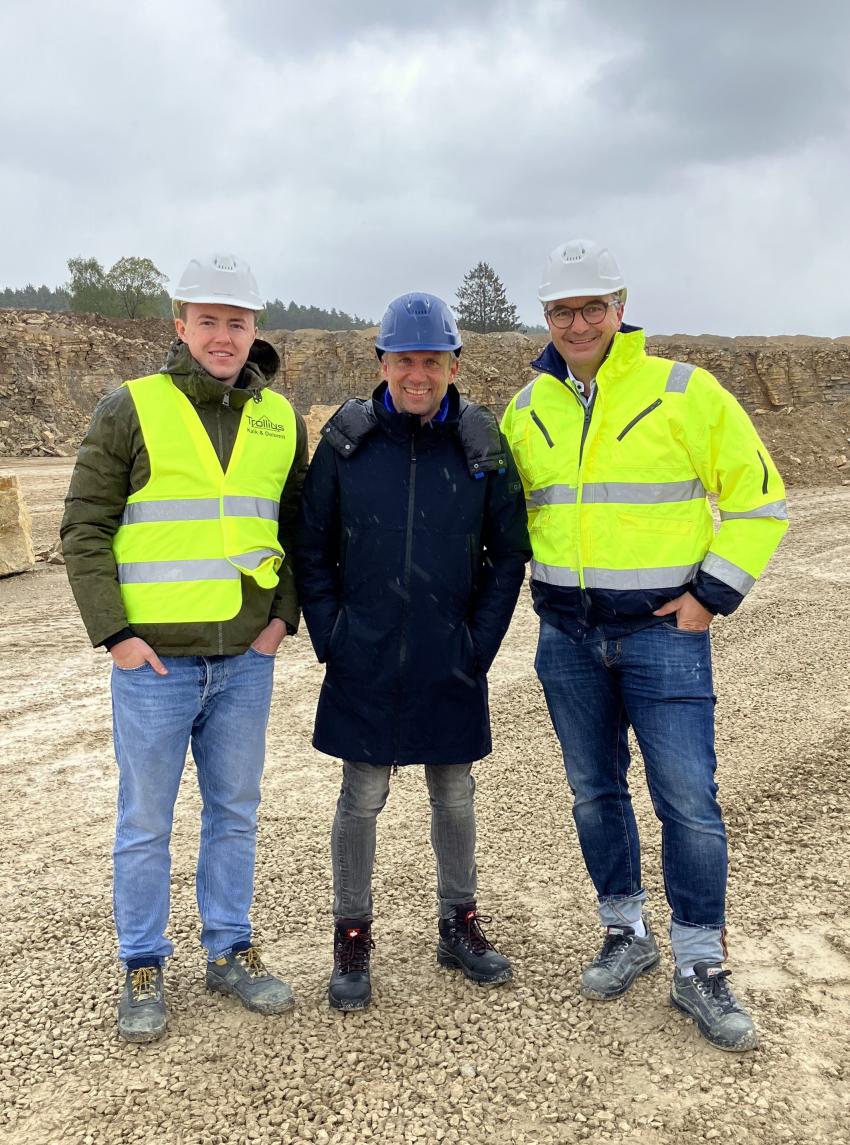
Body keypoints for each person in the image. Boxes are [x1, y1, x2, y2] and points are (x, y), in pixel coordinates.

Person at [500, 239, 788, 1051]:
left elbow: (762, 500)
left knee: (688, 800)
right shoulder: (527, 410)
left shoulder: (686, 393)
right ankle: (625, 929)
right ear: (546, 319)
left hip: (664, 636)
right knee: (595, 793)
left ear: (621, 309)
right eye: (564, 309)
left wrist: (708, 598)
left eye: (595, 306)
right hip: (567, 638)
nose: (580, 322)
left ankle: (699, 962)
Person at [61, 253, 308, 1042]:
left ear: (255, 328)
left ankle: (230, 949)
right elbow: (84, 528)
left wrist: (279, 622)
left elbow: (298, 532)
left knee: (234, 813)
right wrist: (117, 634)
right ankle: (142, 960)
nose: (224, 335)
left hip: (244, 661)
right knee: (145, 820)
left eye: (237, 321)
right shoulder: (129, 409)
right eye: (208, 320)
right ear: (180, 323)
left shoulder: (281, 418)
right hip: (156, 667)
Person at [295, 292, 530, 1010]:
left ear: (454, 365)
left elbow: (508, 554)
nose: (418, 374)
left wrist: (477, 645)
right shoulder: (346, 442)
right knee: (360, 798)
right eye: (405, 360)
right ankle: (352, 938)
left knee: (454, 793)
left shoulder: (481, 446)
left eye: (433, 361)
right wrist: (332, 634)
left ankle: (458, 923)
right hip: (362, 655)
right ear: (382, 362)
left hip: (447, 656)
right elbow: (311, 545)